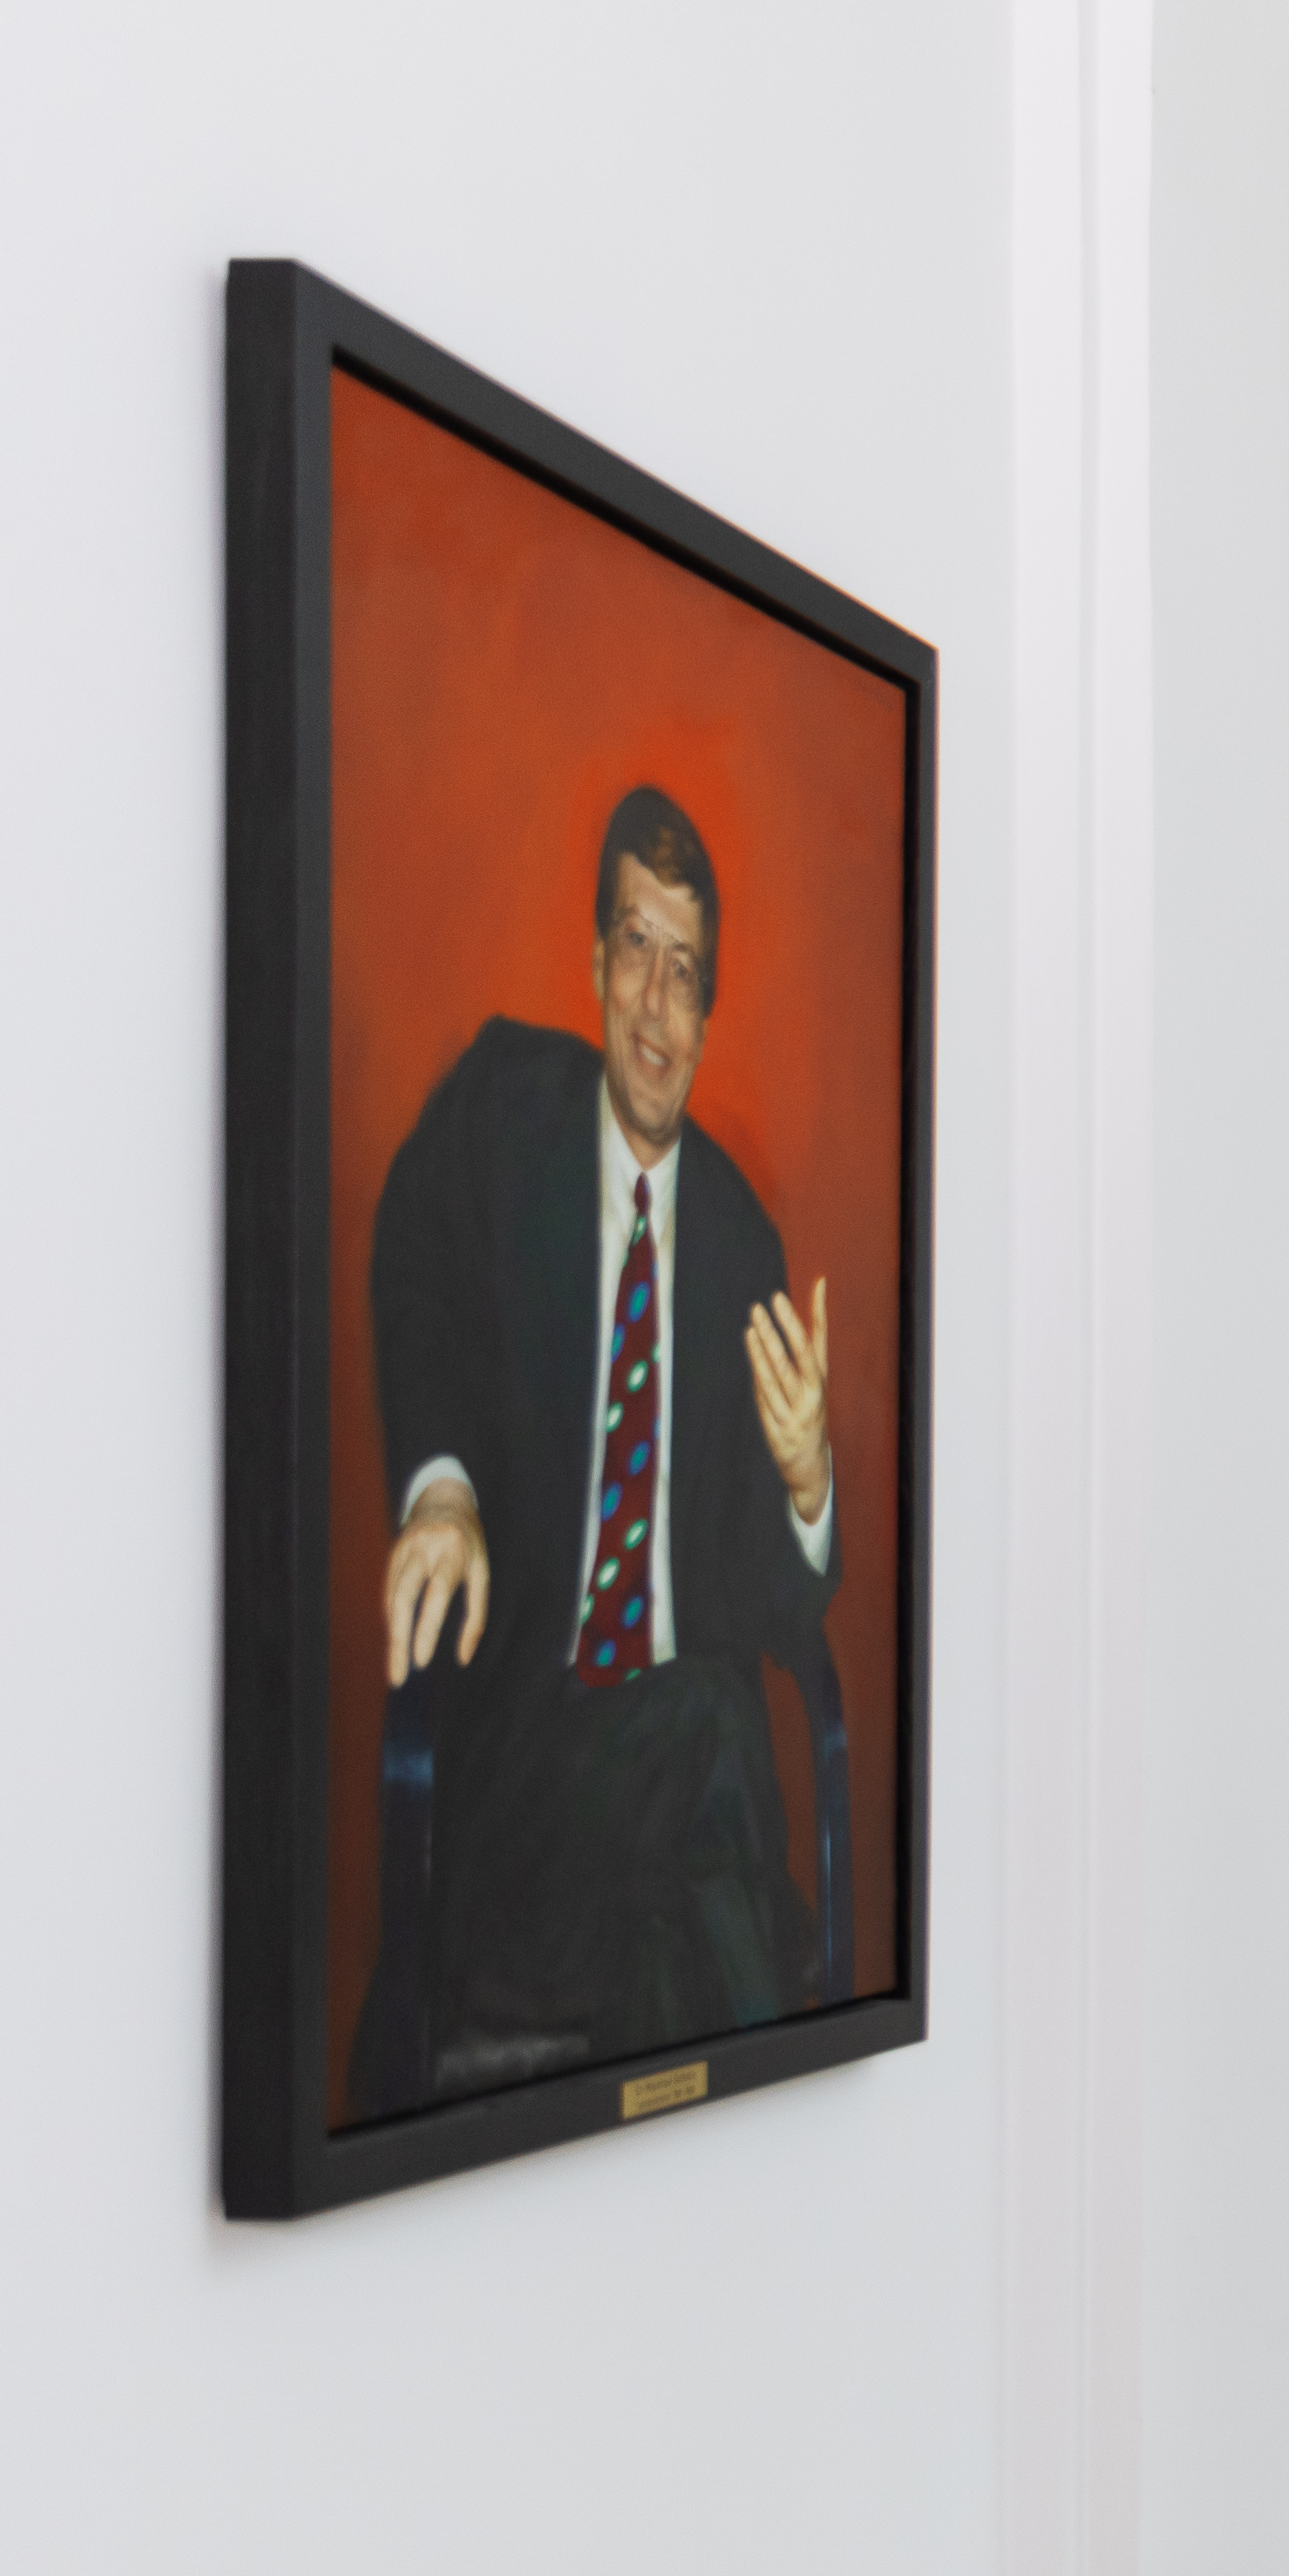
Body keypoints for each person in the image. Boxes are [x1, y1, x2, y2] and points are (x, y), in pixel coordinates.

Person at [368, 785, 839, 2091]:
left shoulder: (741, 1244)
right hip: (529, 1792)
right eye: (636, 947)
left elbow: (772, 1596)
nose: (655, 1004)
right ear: (593, 963)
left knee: (682, 1920)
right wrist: (445, 1492)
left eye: (687, 972)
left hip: (670, 1849)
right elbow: (414, 1280)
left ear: (709, 1013)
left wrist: (807, 1486)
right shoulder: (501, 1119)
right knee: (703, 1722)